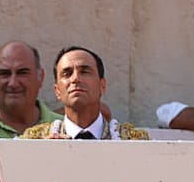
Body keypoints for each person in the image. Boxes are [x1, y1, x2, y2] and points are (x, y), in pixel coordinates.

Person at [20, 46, 149, 140]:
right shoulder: (35, 141)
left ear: (102, 86)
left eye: (85, 72)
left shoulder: (135, 142)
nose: (75, 79)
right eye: (67, 73)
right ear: (57, 91)